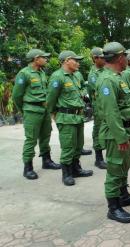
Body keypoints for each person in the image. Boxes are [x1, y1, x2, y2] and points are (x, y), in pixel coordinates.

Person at [96, 41, 130, 223]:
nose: (127, 59)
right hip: (116, 133)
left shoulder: (118, 76)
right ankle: (113, 207)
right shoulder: (107, 80)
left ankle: (123, 195)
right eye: (125, 55)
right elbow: (111, 112)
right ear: (119, 57)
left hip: (125, 129)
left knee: (123, 167)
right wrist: (120, 136)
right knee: (115, 169)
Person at [12, 49, 61, 180]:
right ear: (36, 59)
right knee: (31, 139)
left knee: (46, 136)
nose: (46, 59)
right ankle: (28, 168)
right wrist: (24, 110)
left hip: (44, 110)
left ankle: (47, 161)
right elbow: (16, 95)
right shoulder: (24, 73)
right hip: (32, 110)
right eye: (44, 57)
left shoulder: (41, 72)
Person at [47, 51, 93, 186]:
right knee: (68, 147)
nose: (78, 63)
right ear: (66, 60)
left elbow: (80, 92)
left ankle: (76, 169)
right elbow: (50, 100)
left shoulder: (74, 76)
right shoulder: (57, 77)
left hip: (78, 117)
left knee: (78, 146)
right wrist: (54, 114)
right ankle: (66, 174)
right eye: (76, 60)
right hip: (66, 117)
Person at [87, 47, 107, 169]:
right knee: (99, 130)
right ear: (95, 58)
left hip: (106, 105)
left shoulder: (105, 70)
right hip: (99, 106)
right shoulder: (93, 75)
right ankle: (98, 158)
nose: (105, 59)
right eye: (102, 57)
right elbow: (94, 92)